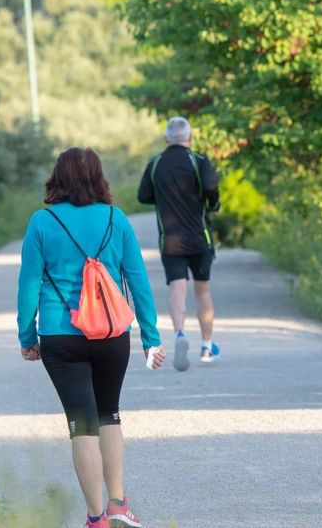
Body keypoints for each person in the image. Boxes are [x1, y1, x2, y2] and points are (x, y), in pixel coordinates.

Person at [17, 147, 165, 528]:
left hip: (60, 336)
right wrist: (151, 337)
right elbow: (139, 281)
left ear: (58, 178)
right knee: (109, 414)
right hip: (113, 334)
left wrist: (27, 335)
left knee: (81, 423)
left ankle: (96, 517)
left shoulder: (42, 221)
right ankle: (118, 503)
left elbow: (28, 283)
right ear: (99, 178)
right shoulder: (117, 219)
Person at [138, 117, 221, 371]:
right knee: (202, 291)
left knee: (177, 289)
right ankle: (207, 346)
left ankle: (180, 334)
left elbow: (143, 196)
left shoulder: (156, 164)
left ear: (166, 139)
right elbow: (211, 187)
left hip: (170, 241)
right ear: (190, 137)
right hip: (199, 238)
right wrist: (213, 204)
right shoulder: (199, 161)